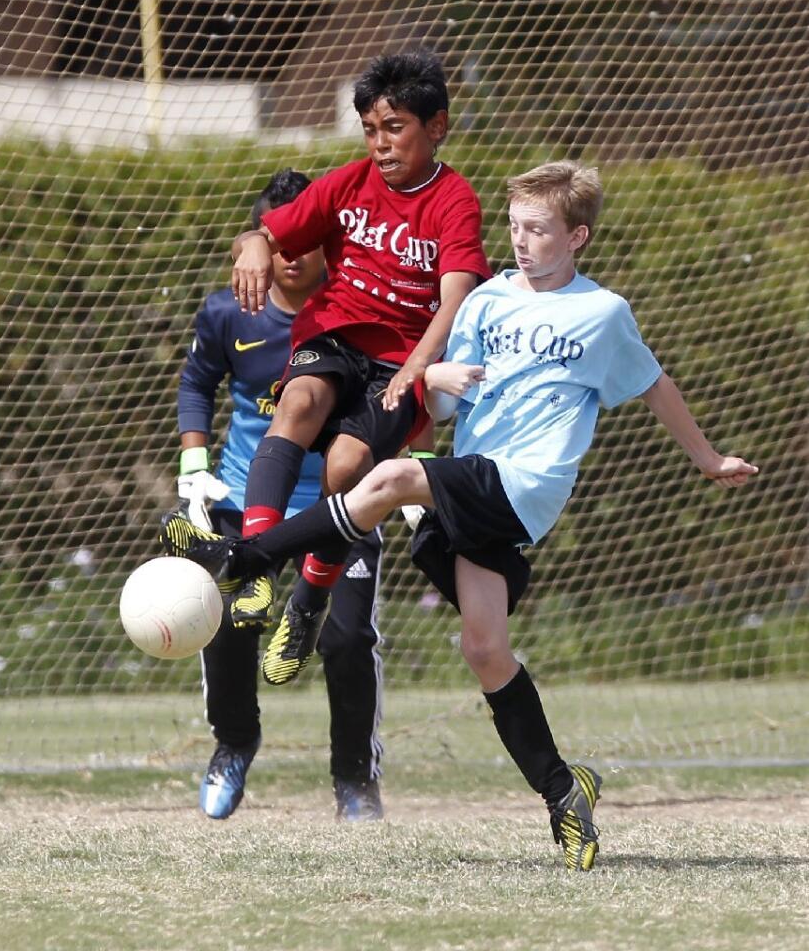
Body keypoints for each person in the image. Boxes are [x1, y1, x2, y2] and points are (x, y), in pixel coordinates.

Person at [161, 160, 758, 869]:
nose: (522, 241)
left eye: (539, 230)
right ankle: (565, 790)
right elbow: (446, 405)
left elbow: (657, 385)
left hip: (526, 482)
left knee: (384, 479)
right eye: (514, 227)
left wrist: (709, 459)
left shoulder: (602, 314)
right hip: (478, 486)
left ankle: (243, 559)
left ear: (578, 237)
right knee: (485, 651)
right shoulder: (485, 302)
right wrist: (434, 379)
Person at [226, 51, 491, 687]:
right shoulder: (346, 184)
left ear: (437, 126)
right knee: (298, 403)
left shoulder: (454, 201)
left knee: (346, 467)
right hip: (335, 333)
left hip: (403, 358)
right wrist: (257, 246)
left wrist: (419, 368)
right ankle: (259, 571)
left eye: (394, 127)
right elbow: (269, 230)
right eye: (371, 129)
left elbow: (455, 296)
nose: (380, 143)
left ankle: (308, 600)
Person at [176, 169, 389, 822]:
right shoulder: (227, 313)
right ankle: (234, 744)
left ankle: (355, 779)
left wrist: (402, 469)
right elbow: (196, 382)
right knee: (228, 623)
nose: (292, 254)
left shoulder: (358, 317)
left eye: (306, 238)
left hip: (337, 509)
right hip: (248, 498)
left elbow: (396, 397)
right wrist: (193, 464)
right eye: (278, 240)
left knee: (347, 639)